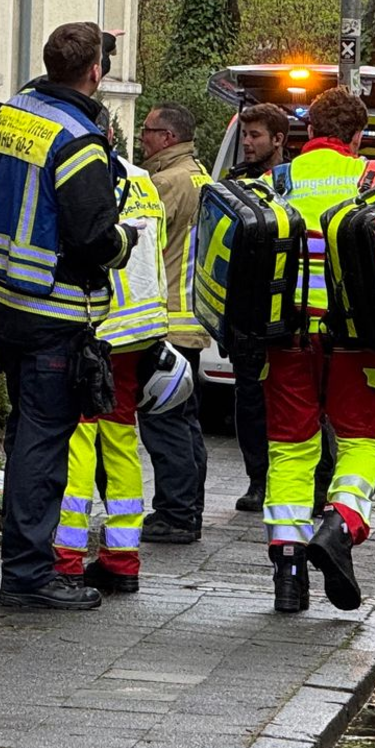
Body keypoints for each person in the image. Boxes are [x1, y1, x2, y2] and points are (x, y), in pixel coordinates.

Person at [0, 21, 136, 611]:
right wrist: (126, 238)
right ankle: (27, 576)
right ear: (95, 71)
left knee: (26, 435)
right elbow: (93, 237)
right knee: (42, 449)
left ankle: (22, 567)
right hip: (54, 309)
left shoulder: (17, 111)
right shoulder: (78, 139)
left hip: (8, 303)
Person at [263, 86, 375, 614]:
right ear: (358, 135)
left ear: (308, 131)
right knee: (363, 443)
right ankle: (340, 525)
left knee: (291, 448)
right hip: (356, 340)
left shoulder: (278, 181)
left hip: (290, 336)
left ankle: (289, 573)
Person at [53, 141, 169, 595]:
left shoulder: (91, 179)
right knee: (121, 440)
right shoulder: (142, 180)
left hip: (100, 327)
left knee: (79, 438)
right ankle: (122, 559)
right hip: (141, 328)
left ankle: (65, 557)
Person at [137, 102, 211, 544]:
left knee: (163, 421)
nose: (141, 137)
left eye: (147, 130)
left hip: (166, 319)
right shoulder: (199, 174)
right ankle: (188, 508)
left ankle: (176, 514)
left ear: (167, 137)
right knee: (185, 420)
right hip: (192, 320)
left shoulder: (166, 182)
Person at [229, 103, 289, 513]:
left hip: (286, 309)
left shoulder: (291, 183)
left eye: (256, 136)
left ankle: (306, 480)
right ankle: (258, 479)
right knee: (249, 398)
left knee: (292, 400)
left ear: (278, 140)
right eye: (244, 136)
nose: (247, 143)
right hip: (246, 310)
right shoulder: (234, 184)